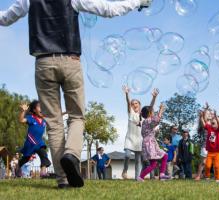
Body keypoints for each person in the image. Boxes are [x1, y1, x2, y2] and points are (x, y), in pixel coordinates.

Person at [0, 0, 152, 188]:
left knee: (54, 123)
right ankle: (71, 155)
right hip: (70, 60)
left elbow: (5, 18)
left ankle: (63, 180)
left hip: (43, 63)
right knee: (76, 116)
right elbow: (110, 9)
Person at [122, 87, 159, 180]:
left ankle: (137, 178)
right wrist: (127, 94)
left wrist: (154, 97)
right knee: (127, 155)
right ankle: (125, 170)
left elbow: (150, 108)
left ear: (139, 105)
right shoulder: (131, 113)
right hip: (130, 139)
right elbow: (127, 102)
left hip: (139, 140)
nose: (134, 105)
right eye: (132, 104)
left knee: (138, 161)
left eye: (136, 103)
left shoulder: (144, 116)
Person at [18, 101, 51, 178]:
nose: (41, 108)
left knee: (44, 154)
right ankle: (18, 166)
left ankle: (43, 172)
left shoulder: (44, 119)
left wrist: (66, 112)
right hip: (30, 143)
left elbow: (55, 115)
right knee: (26, 158)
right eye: (39, 106)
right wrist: (23, 111)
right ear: (34, 110)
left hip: (39, 142)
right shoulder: (31, 118)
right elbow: (21, 120)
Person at [137, 103, 170, 181]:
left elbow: (149, 130)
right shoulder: (148, 120)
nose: (154, 113)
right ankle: (160, 174)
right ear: (149, 113)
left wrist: (155, 132)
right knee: (162, 157)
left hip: (150, 143)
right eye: (153, 112)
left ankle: (142, 177)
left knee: (156, 162)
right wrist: (161, 110)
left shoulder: (145, 122)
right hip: (150, 144)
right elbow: (157, 120)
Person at [200, 109, 219, 183]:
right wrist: (201, 116)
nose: (213, 121)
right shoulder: (209, 128)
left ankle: (218, 179)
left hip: (218, 152)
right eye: (212, 121)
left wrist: (218, 115)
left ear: (217, 123)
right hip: (210, 152)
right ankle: (207, 178)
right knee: (207, 166)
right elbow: (204, 123)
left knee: (216, 166)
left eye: (215, 121)